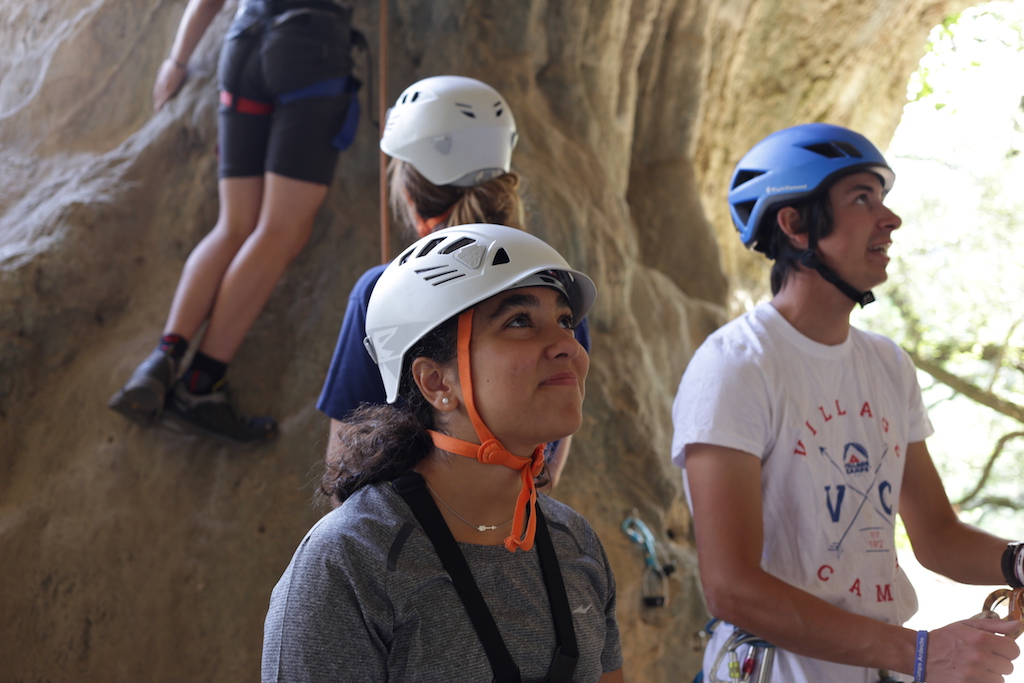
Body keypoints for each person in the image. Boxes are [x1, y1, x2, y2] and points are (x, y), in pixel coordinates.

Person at [672, 123, 1024, 682]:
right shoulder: (736, 366)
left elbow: (937, 537)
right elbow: (732, 589)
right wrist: (922, 654)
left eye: (883, 199)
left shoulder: (886, 364)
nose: (891, 218)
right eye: (862, 198)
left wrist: (1019, 562)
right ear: (793, 225)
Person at [262, 224, 624, 682]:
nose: (569, 346)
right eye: (519, 321)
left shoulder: (576, 545)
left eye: (566, 320)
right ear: (436, 382)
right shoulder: (350, 565)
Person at [318, 75, 590, 487]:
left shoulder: (380, 294)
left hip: (401, 535)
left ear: (409, 194)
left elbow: (345, 467)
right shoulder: (554, 289)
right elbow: (549, 460)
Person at [109, 0, 360, 441]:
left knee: (233, 225)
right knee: (279, 231)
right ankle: (200, 386)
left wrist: (177, 59)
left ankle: (163, 358)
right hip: (309, 50)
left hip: (243, 43)